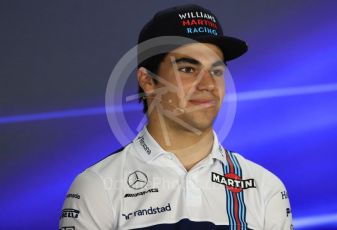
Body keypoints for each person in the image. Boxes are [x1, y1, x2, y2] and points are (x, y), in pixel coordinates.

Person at [59, 4, 293, 230]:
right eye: (188, 69)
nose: (209, 84)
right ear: (148, 81)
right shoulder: (98, 186)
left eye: (217, 71)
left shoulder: (264, 187)